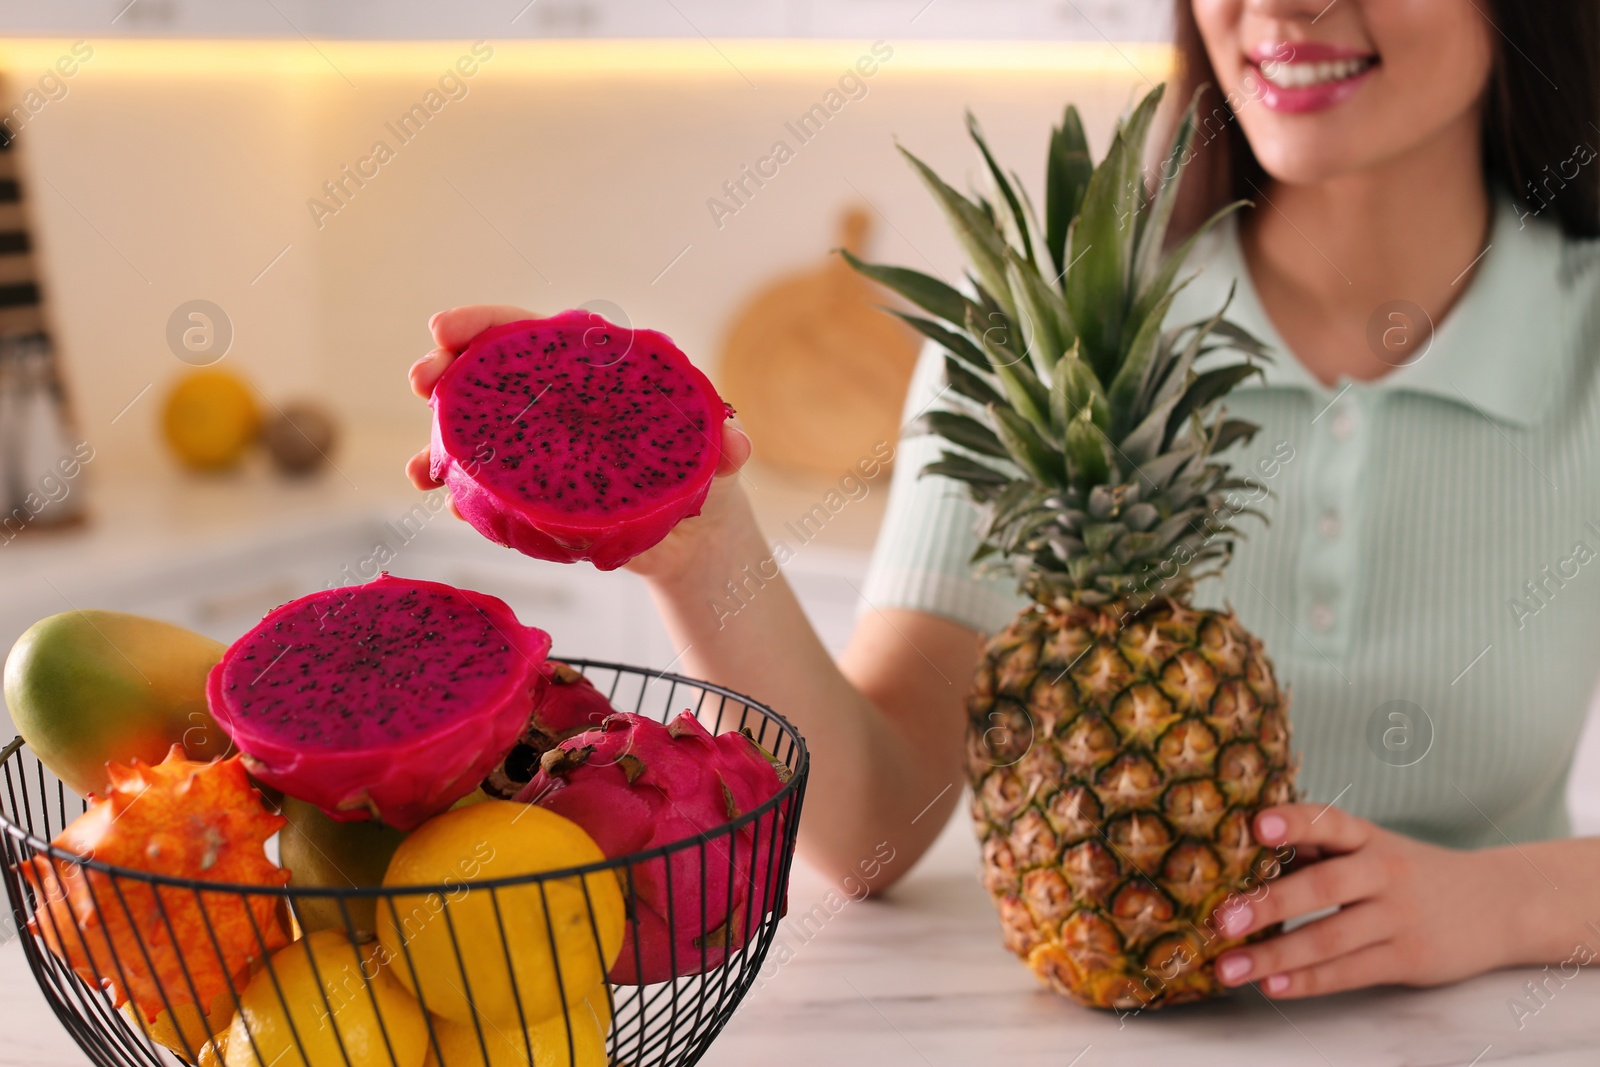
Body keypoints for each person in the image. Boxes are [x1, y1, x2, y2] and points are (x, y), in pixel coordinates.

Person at [408, 0, 1600, 1000]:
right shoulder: (1048, 343)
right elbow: (872, 823)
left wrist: (1500, 902)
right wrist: (696, 537)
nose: (1284, 7)